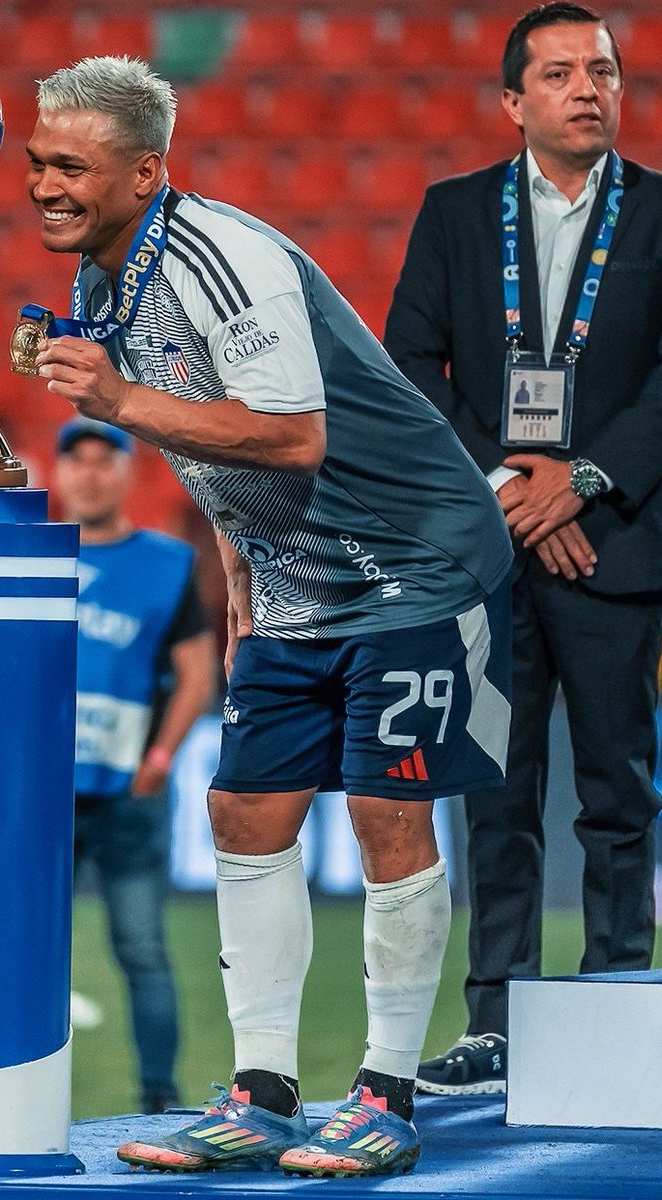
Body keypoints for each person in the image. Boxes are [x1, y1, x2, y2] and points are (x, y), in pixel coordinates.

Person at [19, 56, 513, 1177]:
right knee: (243, 810)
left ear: (145, 172)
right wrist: (243, 571)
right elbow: (210, 448)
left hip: (416, 559)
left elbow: (292, 435)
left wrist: (117, 401)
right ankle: (263, 1093)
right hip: (295, 576)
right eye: (40, 161)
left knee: (389, 815)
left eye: (72, 166)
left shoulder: (224, 258)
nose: (44, 183)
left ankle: (386, 1095)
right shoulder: (107, 283)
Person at [385, 3, 662, 1096]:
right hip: (494, 554)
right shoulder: (454, 214)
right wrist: (509, 488)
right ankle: (495, 1019)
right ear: (514, 103)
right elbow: (410, 362)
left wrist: (578, 482)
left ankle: (618, 1012)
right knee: (495, 790)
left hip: (615, 548)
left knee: (618, 791)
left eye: (604, 69)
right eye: (560, 73)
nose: (589, 87)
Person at [53, 415, 215, 1115]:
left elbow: (197, 671)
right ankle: (9, 1084)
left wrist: (161, 756)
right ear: (58, 474)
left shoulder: (167, 562)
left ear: (126, 473)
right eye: (77, 460)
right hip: (41, 799)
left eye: (104, 459)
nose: (90, 472)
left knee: (144, 950)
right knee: (22, 949)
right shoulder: (28, 556)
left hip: (127, 794)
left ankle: (160, 1097)